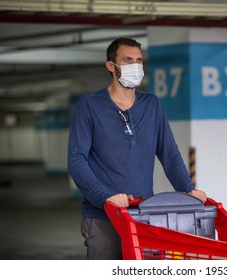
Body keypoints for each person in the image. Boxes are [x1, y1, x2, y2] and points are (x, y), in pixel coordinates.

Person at [67, 37, 207, 260]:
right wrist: (106, 198)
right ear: (111, 66)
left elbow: (169, 153)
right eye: (128, 60)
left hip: (144, 215)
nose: (135, 66)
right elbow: (77, 161)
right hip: (103, 217)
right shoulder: (90, 106)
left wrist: (188, 190)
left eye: (139, 61)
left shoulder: (151, 104)